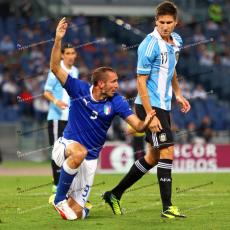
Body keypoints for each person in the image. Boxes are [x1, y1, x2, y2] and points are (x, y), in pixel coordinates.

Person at [50, 17, 156, 220]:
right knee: (79, 151)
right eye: (114, 82)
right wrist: (58, 39)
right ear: (100, 84)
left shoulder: (117, 102)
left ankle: (80, 207)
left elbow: (136, 125)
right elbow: (55, 67)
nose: (117, 85)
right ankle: (58, 199)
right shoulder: (78, 88)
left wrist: (145, 123)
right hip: (67, 146)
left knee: (74, 215)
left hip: (90, 161)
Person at [103, 1, 191, 219]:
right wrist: (150, 115)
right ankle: (167, 206)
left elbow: (171, 70)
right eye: (161, 22)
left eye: (169, 22)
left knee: (152, 156)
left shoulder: (177, 41)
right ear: (156, 22)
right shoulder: (148, 45)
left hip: (163, 105)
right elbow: (141, 82)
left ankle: (114, 194)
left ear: (175, 22)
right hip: (149, 106)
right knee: (167, 151)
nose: (165, 26)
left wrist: (178, 95)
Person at [44, 43, 79, 193]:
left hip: (71, 118)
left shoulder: (75, 71)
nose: (71, 56)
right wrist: (56, 101)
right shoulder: (55, 71)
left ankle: (66, 181)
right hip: (57, 117)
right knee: (57, 150)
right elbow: (46, 92)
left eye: (73, 53)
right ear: (62, 55)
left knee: (69, 150)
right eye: (68, 53)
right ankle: (56, 183)